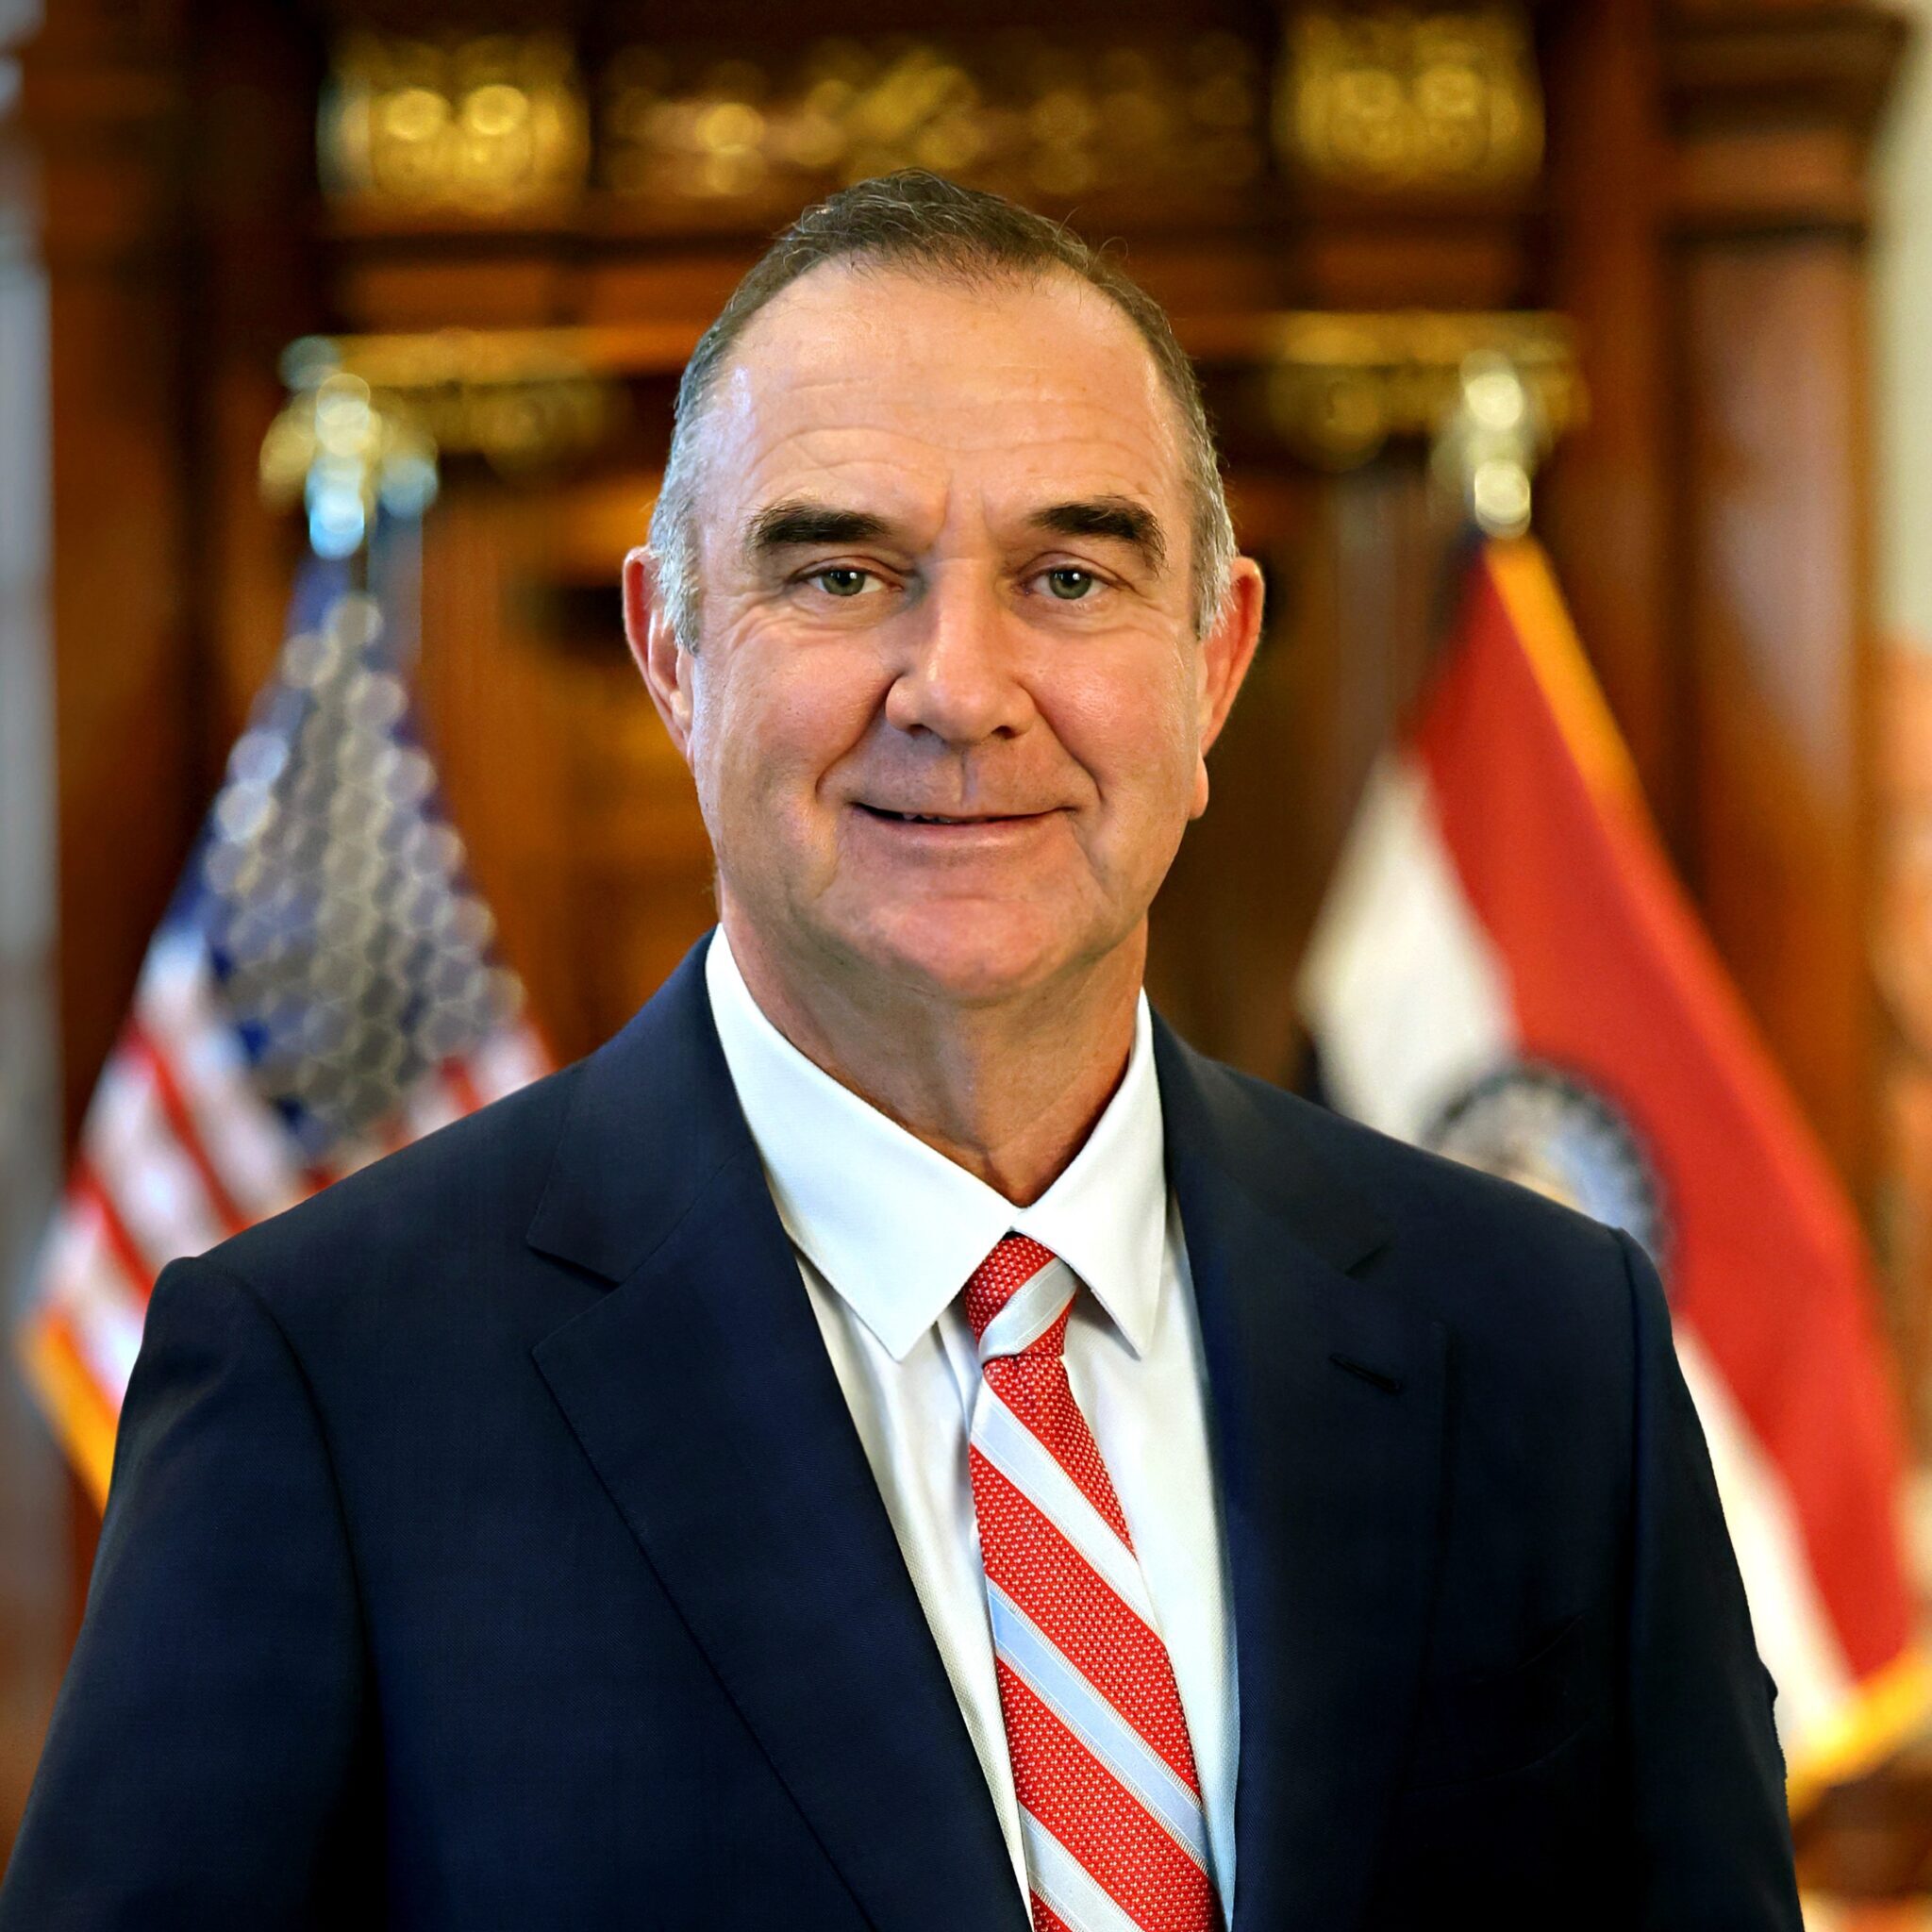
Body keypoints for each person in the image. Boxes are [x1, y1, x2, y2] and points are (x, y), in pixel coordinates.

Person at [0, 172, 1797, 1931]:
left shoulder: (1556, 1348)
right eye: (845, 572)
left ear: (1216, 659)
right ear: (671, 650)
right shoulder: (325, 1383)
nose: (959, 683)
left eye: (1073, 575)